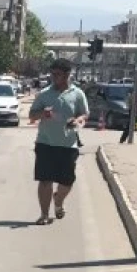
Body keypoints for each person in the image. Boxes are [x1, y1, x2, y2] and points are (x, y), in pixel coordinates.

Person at [28, 58, 89, 225]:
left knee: (67, 181)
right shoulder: (45, 94)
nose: (54, 77)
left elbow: (84, 114)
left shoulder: (77, 94)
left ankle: (58, 200)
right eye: (52, 74)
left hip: (68, 144)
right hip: (45, 143)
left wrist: (78, 121)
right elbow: (32, 116)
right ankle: (44, 214)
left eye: (58, 74)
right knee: (45, 180)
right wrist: (42, 114)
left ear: (68, 75)